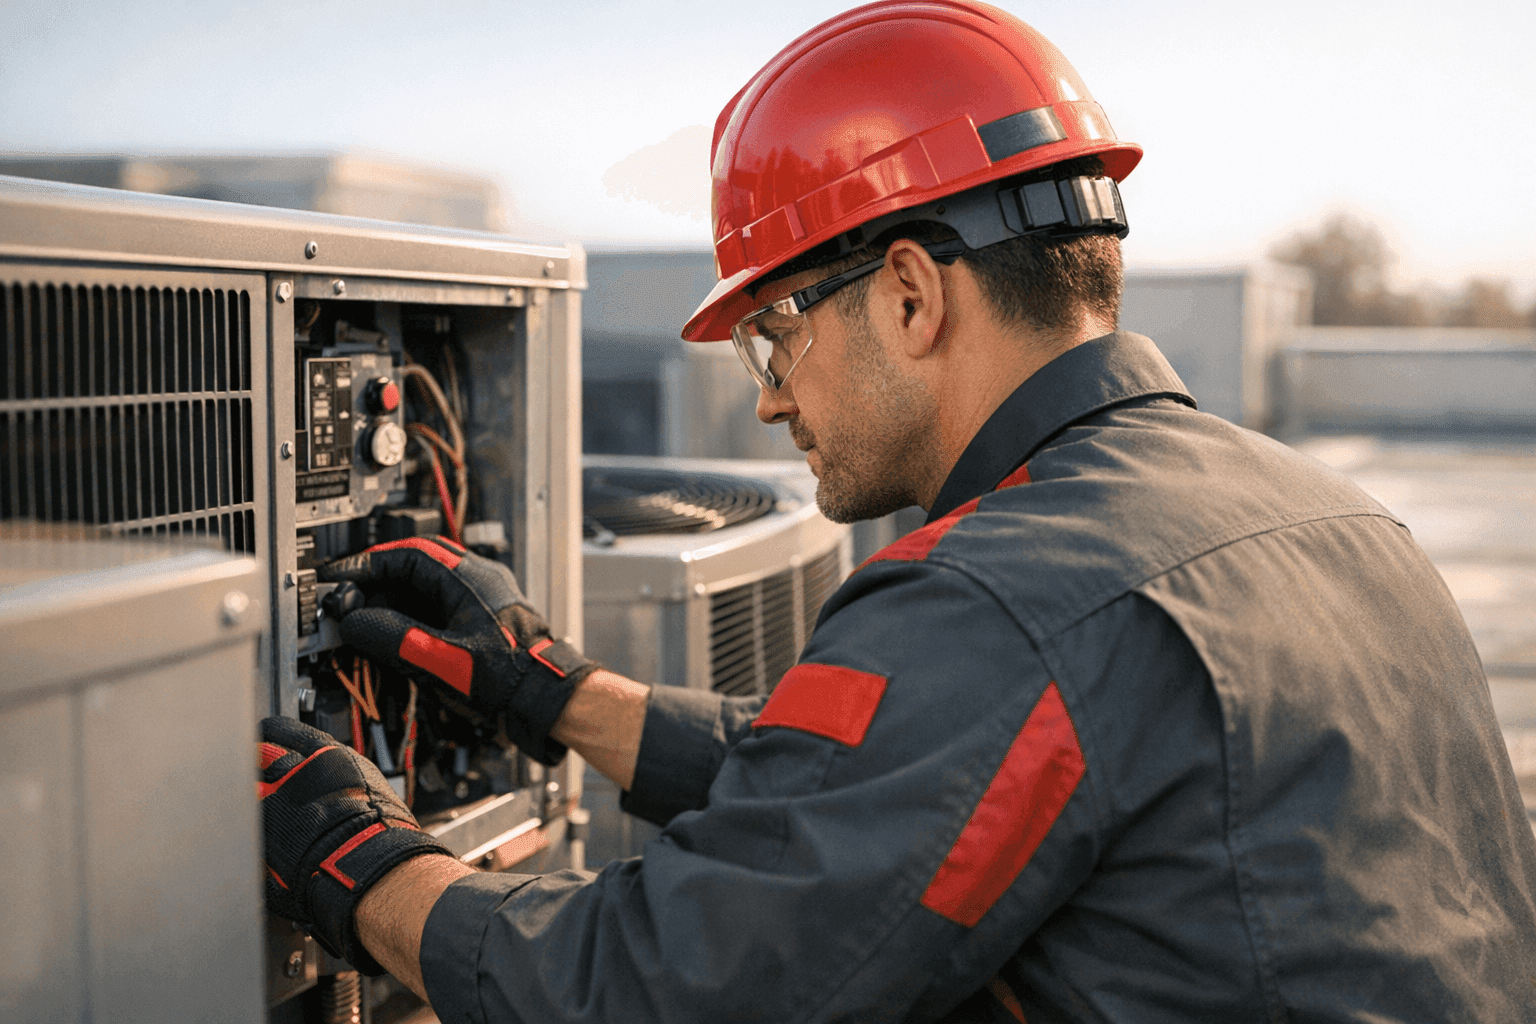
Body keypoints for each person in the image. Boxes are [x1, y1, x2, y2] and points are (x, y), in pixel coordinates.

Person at [257, 3, 1536, 1021]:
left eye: (773, 336)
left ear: (913, 295)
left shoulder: (1006, 592)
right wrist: (559, 692)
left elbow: (665, 986)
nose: (769, 404)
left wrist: (361, 861)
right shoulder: (1333, 518)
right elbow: (900, 780)